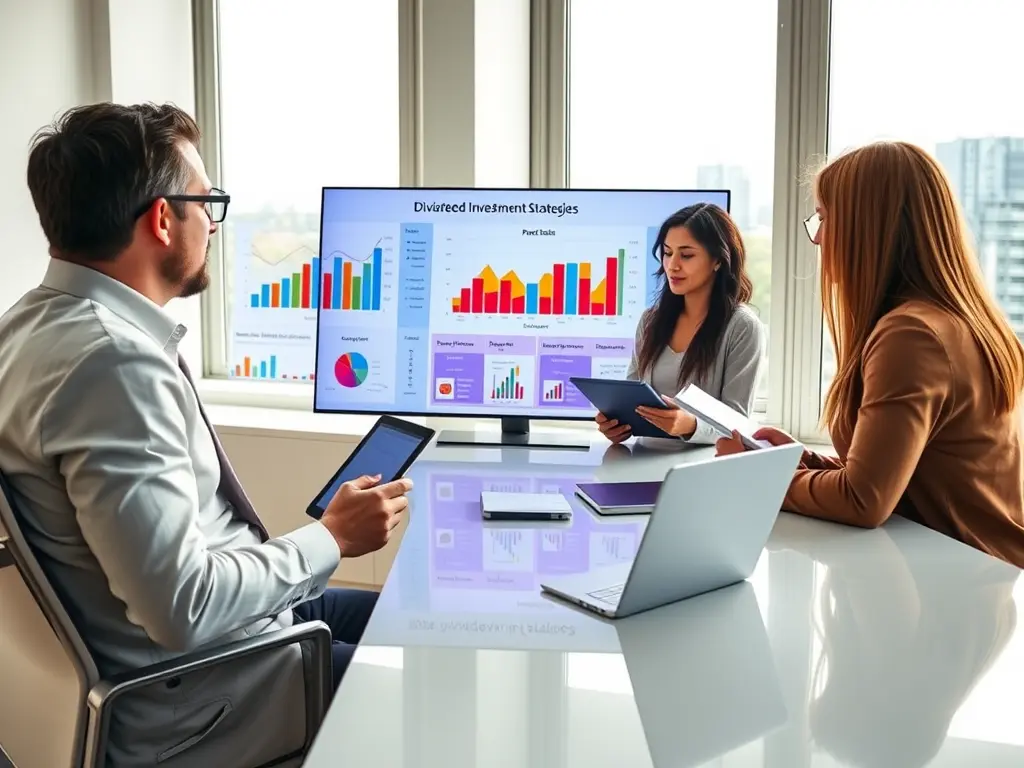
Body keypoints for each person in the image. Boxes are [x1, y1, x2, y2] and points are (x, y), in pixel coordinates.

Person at [0, 102, 410, 767]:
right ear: (163, 220)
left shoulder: (27, 327)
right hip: (207, 698)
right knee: (432, 682)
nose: (214, 225)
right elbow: (182, 608)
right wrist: (332, 538)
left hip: (210, 652)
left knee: (412, 621)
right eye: (207, 203)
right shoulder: (113, 364)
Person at [716, 140, 1024, 568]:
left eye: (823, 217)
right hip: (981, 579)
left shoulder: (911, 334)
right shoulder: (958, 320)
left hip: (956, 587)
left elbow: (863, 500)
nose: (818, 237)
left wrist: (755, 478)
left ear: (869, 226)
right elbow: (911, 474)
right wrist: (802, 460)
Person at [595, 203, 765, 444]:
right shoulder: (650, 321)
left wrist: (691, 425)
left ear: (717, 259)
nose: (672, 265)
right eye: (667, 252)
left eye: (686, 255)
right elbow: (632, 394)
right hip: (640, 462)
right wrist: (616, 424)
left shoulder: (743, 327)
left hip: (705, 470)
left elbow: (738, 422)